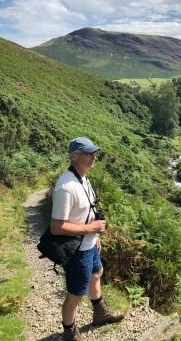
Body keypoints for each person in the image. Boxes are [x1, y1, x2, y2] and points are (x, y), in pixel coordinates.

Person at [50, 137, 124, 341]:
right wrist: (91, 228)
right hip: (77, 250)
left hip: (89, 244)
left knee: (97, 273)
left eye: (94, 153)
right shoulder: (66, 187)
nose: (94, 157)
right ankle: (69, 333)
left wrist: (95, 235)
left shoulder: (83, 178)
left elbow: (85, 212)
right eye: (89, 153)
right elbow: (56, 227)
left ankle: (100, 313)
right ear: (74, 156)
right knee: (75, 294)